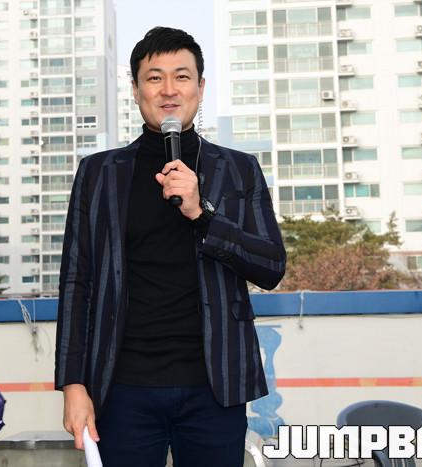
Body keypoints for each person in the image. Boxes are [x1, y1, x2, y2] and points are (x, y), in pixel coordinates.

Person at [55, 26, 286, 467]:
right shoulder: (99, 173)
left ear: (201, 87)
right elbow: (76, 282)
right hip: (121, 387)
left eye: (181, 76)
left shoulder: (239, 170)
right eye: (154, 77)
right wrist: (73, 384)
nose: (168, 89)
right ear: (136, 89)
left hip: (215, 388)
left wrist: (202, 214)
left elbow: (271, 265)